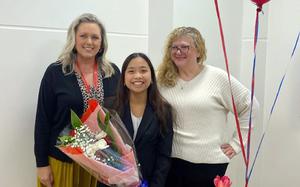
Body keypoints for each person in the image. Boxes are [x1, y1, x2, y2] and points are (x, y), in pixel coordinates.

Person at [156, 26, 259, 187]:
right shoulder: (164, 81)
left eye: (185, 47)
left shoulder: (217, 78)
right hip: (172, 162)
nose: (178, 51)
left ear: (199, 51)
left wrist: (237, 144)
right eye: (174, 47)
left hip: (208, 165)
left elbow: (250, 106)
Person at [34, 13, 120, 187]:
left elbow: (117, 118)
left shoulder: (112, 73)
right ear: (73, 39)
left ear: (102, 42)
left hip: (100, 163)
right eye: (83, 36)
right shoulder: (56, 72)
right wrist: (41, 164)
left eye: (95, 37)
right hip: (62, 161)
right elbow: (43, 120)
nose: (89, 42)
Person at [98, 53, 173, 187]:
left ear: (151, 77)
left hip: (147, 182)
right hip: (112, 182)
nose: (138, 76)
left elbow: (164, 156)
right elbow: (100, 148)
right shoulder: (109, 107)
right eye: (131, 71)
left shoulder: (164, 110)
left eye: (143, 71)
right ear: (123, 79)